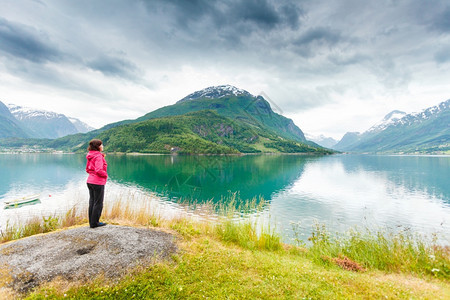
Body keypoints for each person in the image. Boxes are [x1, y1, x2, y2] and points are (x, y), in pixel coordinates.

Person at [86, 139, 108, 228]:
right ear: (98, 147)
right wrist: (105, 175)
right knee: (98, 203)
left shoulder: (90, 155)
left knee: (92, 202)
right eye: (101, 145)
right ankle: (95, 223)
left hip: (90, 181)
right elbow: (99, 170)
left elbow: (87, 169)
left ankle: (92, 222)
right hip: (97, 182)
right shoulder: (98, 156)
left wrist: (92, 174)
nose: (102, 146)